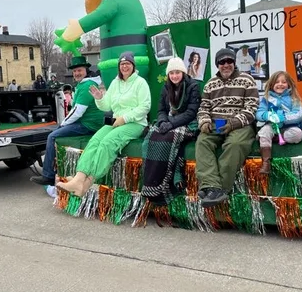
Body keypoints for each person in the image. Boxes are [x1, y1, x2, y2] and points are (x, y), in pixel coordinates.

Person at [56, 52, 151, 197]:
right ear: (119, 67)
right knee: (95, 140)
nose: (125, 66)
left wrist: (125, 118)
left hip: (135, 123)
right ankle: (79, 179)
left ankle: (87, 182)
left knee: (107, 142)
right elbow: (106, 106)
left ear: (133, 66)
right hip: (116, 121)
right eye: (122, 64)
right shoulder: (115, 82)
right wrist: (99, 98)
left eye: (128, 64)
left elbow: (145, 107)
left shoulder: (140, 83)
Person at [195, 48, 259, 208]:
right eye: (222, 62)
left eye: (229, 61)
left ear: (234, 63)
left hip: (240, 124)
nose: (226, 65)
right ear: (217, 64)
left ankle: (220, 189)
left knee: (235, 144)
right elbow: (203, 107)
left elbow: (252, 107)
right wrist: (204, 121)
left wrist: (234, 123)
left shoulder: (247, 79)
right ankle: (211, 186)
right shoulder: (210, 84)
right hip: (216, 123)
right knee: (202, 142)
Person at [30, 56, 104, 186]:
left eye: (79, 70)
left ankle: (48, 175)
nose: (76, 73)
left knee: (52, 136)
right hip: (85, 121)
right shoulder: (84, 84)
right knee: (56, 133)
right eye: (75, 71)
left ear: (86, 70)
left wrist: (63, 123)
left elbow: (78, 111)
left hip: (89, 124)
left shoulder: (87, 85)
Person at [141, 58, 201, 205]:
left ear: (183, 72)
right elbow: (161, 109)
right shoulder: (165, 87)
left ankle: (164, 186)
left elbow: (191, 112)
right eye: (171, 73)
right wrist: (162, 122)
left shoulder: (193, 86)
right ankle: (150, 184)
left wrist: (171, 124)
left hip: (188, 124)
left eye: (177, 72)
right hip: (168, 122)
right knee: (151, 137)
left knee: (169, 138)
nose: (174, 76)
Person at [255, 71, 302, 174]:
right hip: (272, 125)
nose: (280, 84)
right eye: (277, 82)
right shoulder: (267, 98)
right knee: (264, 131)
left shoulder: (294, 98)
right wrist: (267, 115)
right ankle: (266, 162)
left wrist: (283, 117)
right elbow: (259, 113)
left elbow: (299, 114)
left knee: (298, 134)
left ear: (289, 84)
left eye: (284, 82)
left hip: (289, 127)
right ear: (272, 84)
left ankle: (276, 138)